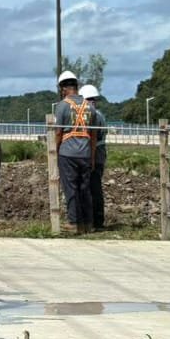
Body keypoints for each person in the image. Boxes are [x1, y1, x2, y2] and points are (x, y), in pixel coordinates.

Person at [52, 70, 100, 229]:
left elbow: (58, 133)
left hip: (68, 154)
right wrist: (92, 157)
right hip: (85, 153)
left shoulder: (62, 106)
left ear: (63, 89)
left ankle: (74, 222)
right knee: (85, 188)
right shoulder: (90, 107)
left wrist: (55, 151)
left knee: (71, 188)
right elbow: (93, 136)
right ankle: (88, 222)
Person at [80, 83, 107, 230]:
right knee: (94, 187)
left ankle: (95, 221)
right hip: (99, 153)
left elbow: (92, 137)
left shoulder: (94, 115)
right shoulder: (99, 114)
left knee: (93, 188)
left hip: (95, 153)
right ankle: (96, 220)